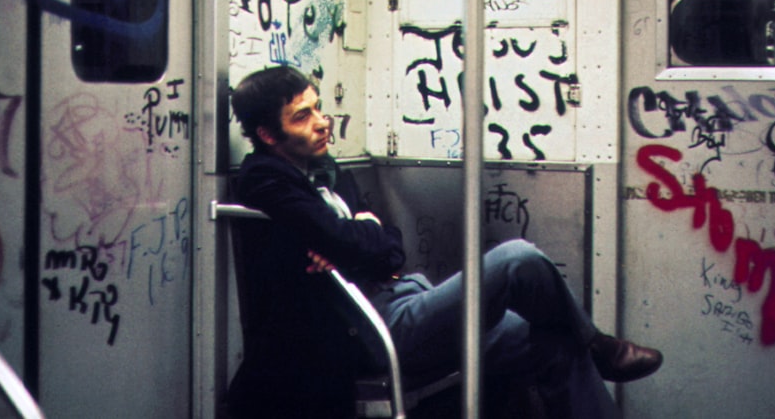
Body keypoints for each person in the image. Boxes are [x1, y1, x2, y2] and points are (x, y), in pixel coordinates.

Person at [225, 66, 663, 418]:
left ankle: (589, 347)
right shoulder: (265, 178)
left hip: (403, 295)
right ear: (267, 135)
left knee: (550, 340)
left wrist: (359, 241)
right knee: (518, 260)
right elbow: (351, 239)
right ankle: (601, 346)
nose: (322, 124)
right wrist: (359, 237)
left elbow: (390, 247)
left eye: (318, 109)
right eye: (302, 117)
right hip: (374, 329)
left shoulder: (326, 170)